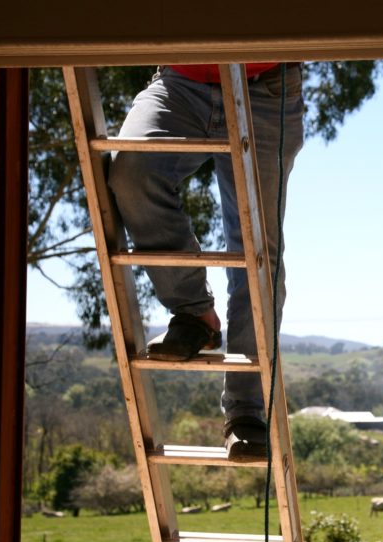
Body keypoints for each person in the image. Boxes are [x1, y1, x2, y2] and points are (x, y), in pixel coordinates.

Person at [108, 62, 304, 459]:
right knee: (131, 171)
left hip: (264, 89)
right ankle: (195, 315)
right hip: (181, 82)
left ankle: (246, 411)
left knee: (257, 253)